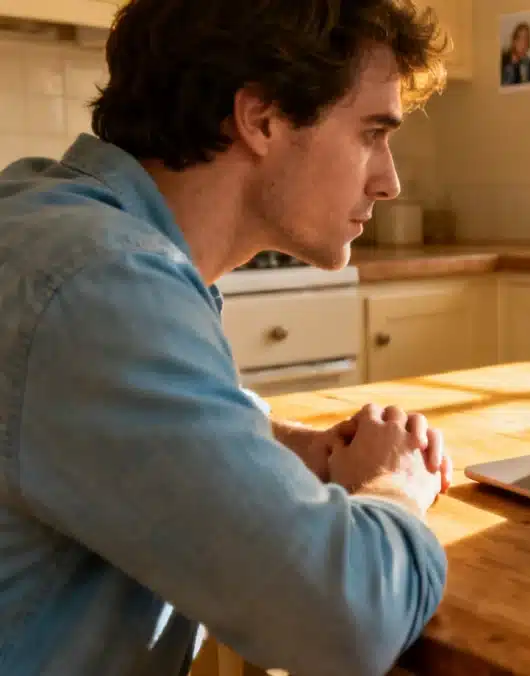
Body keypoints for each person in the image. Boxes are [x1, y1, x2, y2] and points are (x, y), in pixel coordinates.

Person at [0, 1, 453, 674]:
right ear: (261, 119)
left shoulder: (46, 219)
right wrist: (395, 485)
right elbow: (343, 621)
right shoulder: (104, 284)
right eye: (371, 134)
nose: (389, 181)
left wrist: (268, 438)